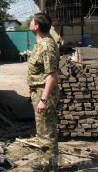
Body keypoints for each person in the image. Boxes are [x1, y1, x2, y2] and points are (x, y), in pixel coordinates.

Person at [27, 13, 60, 172]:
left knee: (48, 132)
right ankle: (46, 161)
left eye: (32, 21)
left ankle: (52, 166)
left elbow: (52, 75)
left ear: (37, 26)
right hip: (38, 91)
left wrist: (44, 99)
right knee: (43, 131)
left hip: (44, 94)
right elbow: (39, 70)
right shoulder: (40, 43)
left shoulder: (46, 45)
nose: (30, 23)